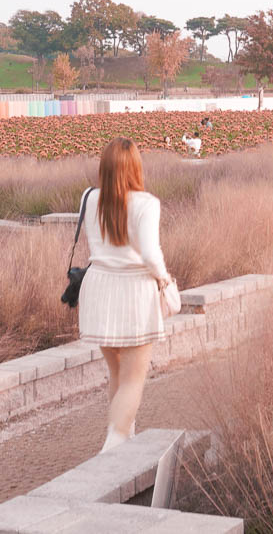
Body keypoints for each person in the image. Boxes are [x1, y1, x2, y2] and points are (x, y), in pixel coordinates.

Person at [78, 138, 176, 453]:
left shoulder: (89, 198)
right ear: (136, 167)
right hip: (133, 290)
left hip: (98, 287)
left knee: (117, 373)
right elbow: (150, 253)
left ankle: (124, 439)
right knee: (133, 378)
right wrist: (164, 279)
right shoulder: (146, 203)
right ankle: (113, 446)